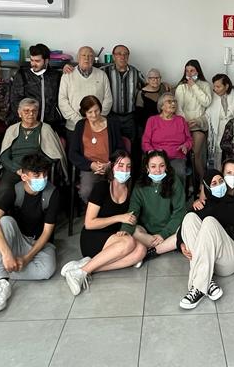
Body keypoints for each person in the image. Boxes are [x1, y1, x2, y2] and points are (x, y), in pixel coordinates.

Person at [0, 154, 59, 314]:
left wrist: (27, 258)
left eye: (45, 174)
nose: (42, 179)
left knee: (47, 270)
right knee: (4, 221)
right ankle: (1, 280)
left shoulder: (52, 193)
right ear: (24, 176)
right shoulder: (14, 191)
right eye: (37, 175)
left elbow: (47, 231)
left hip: (40, 243)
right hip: (17, 240)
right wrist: (7, 254)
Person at [60, 150, 148, 296]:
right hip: (93, 236)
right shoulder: (101, 187)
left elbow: (131, 217)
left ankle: (85, 267)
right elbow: (89, 223)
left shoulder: (130, 189)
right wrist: (119, 218)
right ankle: (80, 273)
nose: (124, 170)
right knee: (129, 243)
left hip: (115, 236)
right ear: (111, 166)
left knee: (141, 251)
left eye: (128, 166)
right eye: (120, 165)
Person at [176, 166, 234, 309]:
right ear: (207, 188)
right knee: (189, 217)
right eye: (214, 183)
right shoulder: (202, 206)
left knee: (209, 222)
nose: (219, 185)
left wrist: (223, 236)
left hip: (229, 260)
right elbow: (183, 229)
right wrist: (181, 244)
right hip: (210, 263)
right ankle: (207, 281)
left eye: (221, 181)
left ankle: (197, 288)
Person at [121, 150, 187, 258]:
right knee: (135, 230)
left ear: (166, 167)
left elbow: (179, 212)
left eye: (162, 166)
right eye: (153, 166)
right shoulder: (140, 185)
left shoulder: (174, 182)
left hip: (170, 229)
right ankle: (162, 247)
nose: (158, 170)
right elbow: (133, 211)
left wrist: (163, 234)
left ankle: (151, 250)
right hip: (147, 232)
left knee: (183, 232)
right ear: (147, 168)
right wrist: (125, 230)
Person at [0, 98, 65, 190]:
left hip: (37, 169)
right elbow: (4, 156)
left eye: (34, 111)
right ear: (19, 113)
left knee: (37, 188)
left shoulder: (45, 129)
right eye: (26, 111)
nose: (31, 114)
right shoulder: (11, 129)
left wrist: (34, 168)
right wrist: (17, 169)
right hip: (15, 169)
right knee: (5, 188)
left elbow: (53, 156)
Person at [69, 95, 124, 204]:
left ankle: (106, 211)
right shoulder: (80, 125)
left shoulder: (112, 123)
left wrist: (110, 164)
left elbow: (121, 149)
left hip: (110, 166)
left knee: (115, 191)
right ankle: (93, 212)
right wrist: (91, 165)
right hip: (90, 168)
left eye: (96, 110)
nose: (94, 115)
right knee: (86, 192)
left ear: (100, 109)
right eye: (90, 112)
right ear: (84, 113)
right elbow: (73, 153)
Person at [8, 43, 67, 134]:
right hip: (27, 125)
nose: (33, 64)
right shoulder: (22, 74)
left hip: (51, 125)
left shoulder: (55, 76)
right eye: (31, 60)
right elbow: (15, 100)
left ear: (46, 61)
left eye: (37, 61)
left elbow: (61, 99)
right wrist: (26, 119)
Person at [103, 44, 145, 169]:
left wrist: (163, 84)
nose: (122, 56)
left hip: (129, 117)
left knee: (131, 146)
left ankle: (129, 173)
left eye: (125, 54)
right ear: (113, 56)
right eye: (119, 54)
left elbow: (148, 87)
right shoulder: (104, 72)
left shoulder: (135, 72)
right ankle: (113, 172)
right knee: (111, 145)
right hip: (111, 116)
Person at [58, 45, 113, 134]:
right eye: (83, 55)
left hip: (98, 126)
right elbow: (62, 101)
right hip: (74, 127)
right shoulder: (67, 75)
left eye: (90, 56)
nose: (86, 58)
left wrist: (96, 118)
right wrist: (79, 120)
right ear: (78, 58)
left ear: (93, 58)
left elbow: (108, 99)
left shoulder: (102, 75)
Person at [175, 59, 214, 180]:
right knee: (183, 155)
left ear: (198, 71)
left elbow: (206, 102)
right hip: (184, 126)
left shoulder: (205, 85)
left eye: (192, 70)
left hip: (199, 125)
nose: (189, 73)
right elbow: (178, 108)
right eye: (187, 71)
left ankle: (202, 181)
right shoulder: (181, 87)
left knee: (196, 154)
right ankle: (189, 182)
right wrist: (184, 124)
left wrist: (194, 86)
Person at [142, 92, 192, 178]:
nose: (173, 104)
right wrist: (151, 152)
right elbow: (145, 141)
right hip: (157, 156)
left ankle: (178, 188)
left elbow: (189, 139)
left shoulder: (181, 120)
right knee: (157, 171)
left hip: (177, 156)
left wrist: (185, 146)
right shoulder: (152, 120)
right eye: (169, 101)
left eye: (174, 101)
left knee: (178, 172)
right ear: (161, 106)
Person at [204, 73, 234, 168]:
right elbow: (207, 115)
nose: (215, 89)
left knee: (233, 154)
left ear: (226, 86)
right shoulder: (213, 96)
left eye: (218, 87)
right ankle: (218, 172)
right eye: (214, 86)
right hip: (219, 129)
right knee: (218, 153)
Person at [135, 68, 171, 140]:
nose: (155, 80)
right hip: (147, 126)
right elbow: (139, 115)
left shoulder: (164, 88)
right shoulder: (141, 93)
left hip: (163, 124)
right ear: (147, 80)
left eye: (157, 78)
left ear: (160, 78)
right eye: (152, 78)